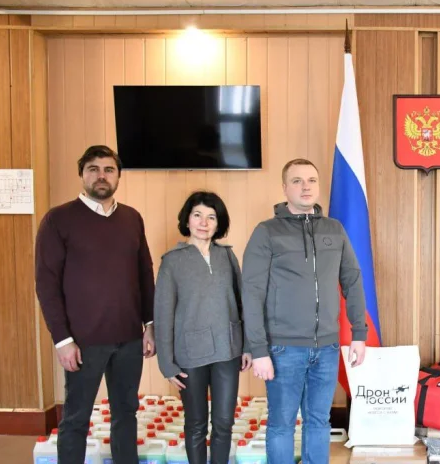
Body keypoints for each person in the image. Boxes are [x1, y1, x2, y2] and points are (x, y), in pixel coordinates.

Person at [241, 158, 369, 464]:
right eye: (297, 181)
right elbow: (252, 292)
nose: (305, 186)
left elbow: (352, 280)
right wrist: (258, 350)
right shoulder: (267, 232)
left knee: (319, 422)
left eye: (311, 180)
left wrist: (359, 334)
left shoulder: (334, 229)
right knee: (281, 424)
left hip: (327, 347)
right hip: (283, 348)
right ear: (285, 188)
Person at [35, 145, 156, 463]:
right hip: (82, 342)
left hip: (129, 338)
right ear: (82, 174)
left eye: (108, 169)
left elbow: (145, 273)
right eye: (93, 169)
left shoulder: (132, 218)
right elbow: (47, 285)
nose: (101, 176)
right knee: (76, 418)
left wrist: (150, 324)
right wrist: (62, 340)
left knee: (126, 413)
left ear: (118, 176)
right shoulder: (58, 220)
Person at [154, 191, 252, 464]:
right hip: (190, 355)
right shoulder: (172, 261)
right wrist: (167, 364)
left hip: (227, 350)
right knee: (196, 423)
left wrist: (247, 346)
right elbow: (162, 315)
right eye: (197, 215)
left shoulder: (227, 256)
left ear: (219, 223)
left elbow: (242, 304)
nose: (204, 223)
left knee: (224, 422)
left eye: (211, 217)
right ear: (187, 220)